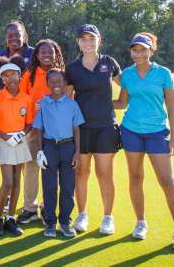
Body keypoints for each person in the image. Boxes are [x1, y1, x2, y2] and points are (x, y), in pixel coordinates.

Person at [115, 32, 174, 241]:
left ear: (151, 51)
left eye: (143, 50)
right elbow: (122, 102)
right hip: (131, 131)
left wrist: (173, 136)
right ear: (131, 51)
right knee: (135, 177)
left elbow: (171, 106)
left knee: (167, 181)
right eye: (135, 50)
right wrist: (89, 102)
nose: (138, 54)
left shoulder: (164, 73)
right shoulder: (127, 74)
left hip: (157, 132)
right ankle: (140, 222)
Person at [65, 24, 121, 235]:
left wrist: (116, 103)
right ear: (78, 42)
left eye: (92, 38)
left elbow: (127, 86)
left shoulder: (109, 63)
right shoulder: (72, 68)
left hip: (106, 126)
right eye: (84, 39)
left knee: (104, 173)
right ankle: (82, 214)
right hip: (81, 129)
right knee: (81, 172)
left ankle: (108, 217)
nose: (88, 43)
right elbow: (67, 99)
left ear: (99, 40)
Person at [17, 39, 65, 225]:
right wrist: (32, 107)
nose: (47, 55)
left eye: (50, 52)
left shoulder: (61, 75)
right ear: (36, 55)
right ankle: (30, 208)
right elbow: (21, 100)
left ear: (56, 54)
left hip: (56, 130)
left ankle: (47, 207)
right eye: (43, 52)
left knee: (52, 168)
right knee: (31, 168)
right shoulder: (29, 75)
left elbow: (68, 99)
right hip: (33, 129)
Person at [0, 63, 34, 237]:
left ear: (20, 76)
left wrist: (21, 135)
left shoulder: (26, 98)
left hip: (19, 140)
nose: (10, 78)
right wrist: (6, 137)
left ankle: (10, 218)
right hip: (5, 140)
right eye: (5, 75)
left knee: (17, 180)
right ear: (2, 79)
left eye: (13, 74)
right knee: (7, 182)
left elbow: (29, 123)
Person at [33, 68, 84, 238]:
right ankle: (50, 222)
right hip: (49, 147)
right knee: (49, 187)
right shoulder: (43, 103)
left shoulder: (72, 104)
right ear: (47, 83)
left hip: (68, 147)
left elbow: (76, 129)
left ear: (64, 83)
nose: (56, 84)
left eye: (59, 81)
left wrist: (77, 152)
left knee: (68, 186)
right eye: (52, 81)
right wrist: (40, 151)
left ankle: (65, 222)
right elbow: (39, 129)